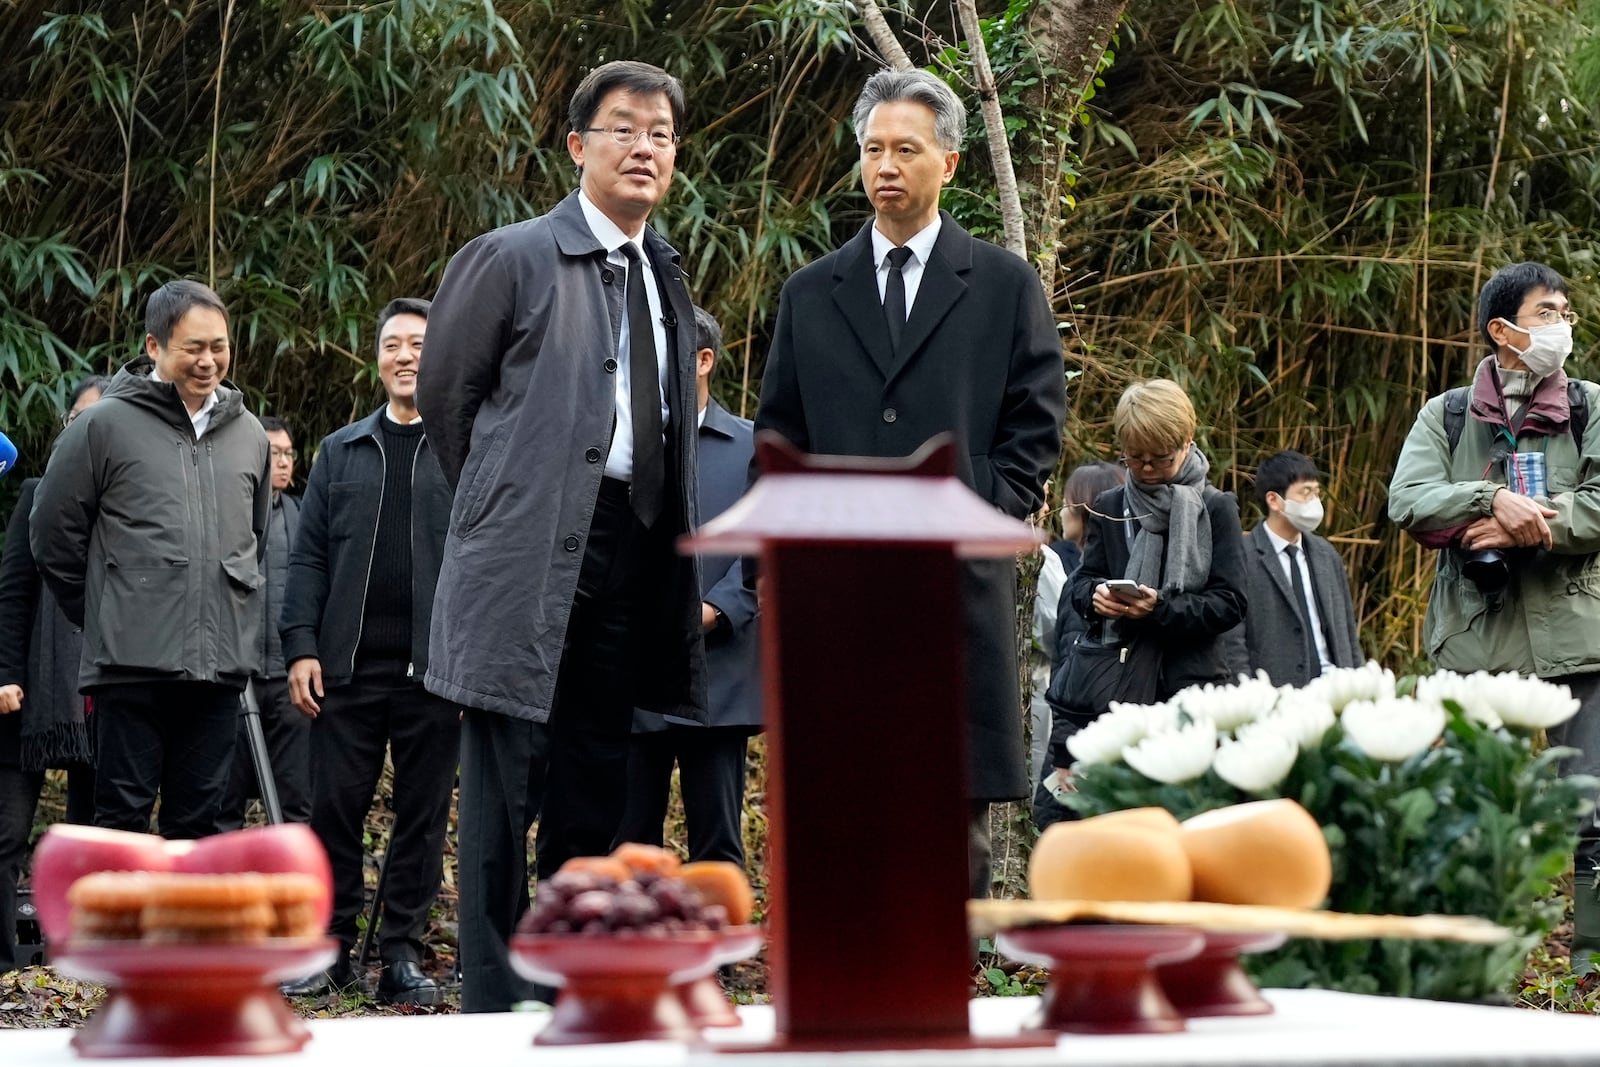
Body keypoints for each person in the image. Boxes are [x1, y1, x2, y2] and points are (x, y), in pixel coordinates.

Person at [417, 61, 708, 1013]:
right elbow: (448, 402)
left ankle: (572, 981)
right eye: (624, 129)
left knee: (598, 766)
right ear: (579, 146)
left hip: (636, 540)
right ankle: (495, 995)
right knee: (507, 768)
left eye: (661, 134)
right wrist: (516, 500)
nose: (645, 148)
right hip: (531, 540)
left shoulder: (664, 267)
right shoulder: (511, 255)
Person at [751, 68, 1065, 899]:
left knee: (948, 811)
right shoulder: (812, 292)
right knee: (843, 803)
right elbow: (778, 428)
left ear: (951, 163)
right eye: (872, 149)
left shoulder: (1003, 284)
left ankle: (945, 1003)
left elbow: (1035, 427)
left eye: (906, 149)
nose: (886, 165)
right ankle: (845, 998)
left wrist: (980, 504)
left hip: (954, 582)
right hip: (839, 588)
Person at [1389, 261, 1600, 974]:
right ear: (1502, 329)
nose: (1562, 326)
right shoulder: (1448, 414)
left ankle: (1590, 962)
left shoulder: (1590, 405)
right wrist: (1486, 503)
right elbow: (1408, 500)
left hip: (1577, 637)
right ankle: (1479, 951)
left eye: (1566, 313)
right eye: (1547, 313)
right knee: (1475, 803)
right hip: (1476, 640)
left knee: (1591, 806)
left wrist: (1529, 522)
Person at [31, 280, 270, 840]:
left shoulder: (250, 434)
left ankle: (180, 931)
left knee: (199, 824)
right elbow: (52, 534)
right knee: (121, 822)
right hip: (129, 667)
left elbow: (255, 540)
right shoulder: (103, 426)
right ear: (155, 346)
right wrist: (105, 608)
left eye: (219, 346)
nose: (209, 361)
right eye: (193, 347)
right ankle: (117, 931)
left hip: (217, 667)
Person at [278, 298, 457, 1004]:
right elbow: (308, 559)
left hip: (436, 671)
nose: (406, 355)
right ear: (376, 357)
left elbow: (484, 559)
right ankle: (331, 948)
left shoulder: (464, 447)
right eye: (393, 344)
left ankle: (403, 957)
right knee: (333, 810)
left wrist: (473, 663)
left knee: (422, 813)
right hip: (345, 667)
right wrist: (299, 646)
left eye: (419, 343)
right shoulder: (340, 449)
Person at [615, 306, 759, 865]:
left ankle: (716, 954)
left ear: (703, 360)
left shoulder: (753, 447)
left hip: (717, 671)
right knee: (627, 836)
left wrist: (714, 610)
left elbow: (764, 550)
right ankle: (634, 952)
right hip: (633, 667)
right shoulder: (622, 448)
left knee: (717, 837)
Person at [0, 376, 106, 970]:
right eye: (79, 422)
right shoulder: (37, 493)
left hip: (105, 690)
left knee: (98, 834)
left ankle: (83, 957)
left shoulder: (131, 503)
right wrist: (5, 672)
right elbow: (13, 593)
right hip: (30, 692)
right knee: (7, 831)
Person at [1066, 379, 1247, 705]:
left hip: (1193, 689)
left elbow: (1230, 603)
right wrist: (1097, 596)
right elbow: (1081, 582)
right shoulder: (1110, 506)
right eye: (1135, 458)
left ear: (1187, 443)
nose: (1147, 468)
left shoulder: (1215, 507)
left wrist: (1159, 609)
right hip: (1119, 683)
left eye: (1161, 458)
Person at [216, 415, 309, 830]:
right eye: (275, 454)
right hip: (236, 676)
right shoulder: (227, 513)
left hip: (291, 679)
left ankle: (290, 892)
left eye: (289, 454)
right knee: (223, 800)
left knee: (295, 802)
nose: (284, 463)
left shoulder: (303, 513)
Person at [1034, 460, 1126, 829]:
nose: (1060, 509)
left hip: (1081, 738)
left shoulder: (1088, 583)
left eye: (1070, 501)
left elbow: (1074, 676)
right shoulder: (1083, 570)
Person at [1241, 450, 1362, 685]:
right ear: (1274, 500)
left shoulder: (1326, 555)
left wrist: (1357, 681)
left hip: (1334, 685)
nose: (1315, 501)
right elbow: (1233, 641)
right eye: (1305, 492)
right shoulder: (1244, 557)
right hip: (1277, 691)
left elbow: (1347, 629)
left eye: (1317, 493)